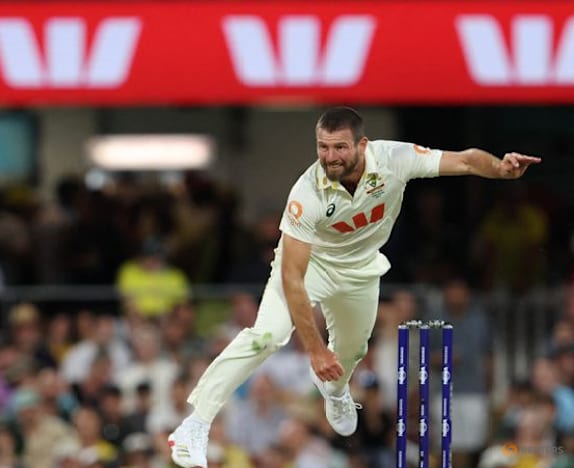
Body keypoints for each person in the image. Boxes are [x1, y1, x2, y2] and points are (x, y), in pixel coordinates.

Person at [167, 106, 541, 467]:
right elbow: (293, 278)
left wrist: (500, 169)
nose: (330, 157)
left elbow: (463, 160)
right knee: (265, 336)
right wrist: (313, 348)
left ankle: (336, 390)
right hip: (308, 269)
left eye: (340, 147)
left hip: (360, 271)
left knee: (352, 349)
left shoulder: (393, 159)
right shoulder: (306, 193)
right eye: (323, 147)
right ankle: (196, 423)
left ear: (362, 146)